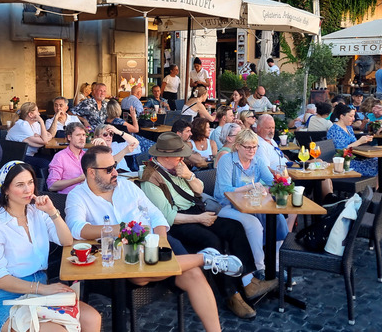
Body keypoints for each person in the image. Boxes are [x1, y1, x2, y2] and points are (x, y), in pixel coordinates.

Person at [65, 146, 244, 332]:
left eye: (115, 165)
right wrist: (120, 229)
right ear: (91, 172)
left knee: (194, 275)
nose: (115, 172)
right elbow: (77, 229)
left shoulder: (127, 186)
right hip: (120, 258)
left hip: (154, 243)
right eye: (108, 169)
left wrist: (160, 241)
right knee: (141, 276)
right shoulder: (77, 196)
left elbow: (156, 214)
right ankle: (204, 258)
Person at [140, 133, 266, 319]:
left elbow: (199, 189)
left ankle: (248, 281)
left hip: (196, 210)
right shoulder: (150, 178)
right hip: (178, 222)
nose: (182, 158)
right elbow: (167, 217)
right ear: (165, 156)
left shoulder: (177, 167)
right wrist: (199, 219)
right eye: (179, 155)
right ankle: (230, 295)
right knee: (211, 240)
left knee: (235, 228)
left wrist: (190, 175)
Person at [0, 162, 101, 332]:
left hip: (42, 292)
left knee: (92, 318)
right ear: (5, 189)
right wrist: (42, 289)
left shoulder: (37, 213)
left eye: (30, 182)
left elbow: (66, 240)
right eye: (20, 185)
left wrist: (52, 212)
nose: (28, 189)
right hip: (8, 299)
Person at [214, 129, 287, 294]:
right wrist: (249, 187)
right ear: (238, 146)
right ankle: (259, 268)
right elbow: (224, 190)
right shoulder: (227, 161)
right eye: (248, 147)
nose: (252, 150)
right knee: (253, 224)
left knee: (279, 219)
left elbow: (271, 182)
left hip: (252, 204)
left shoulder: (258, 161)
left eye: (254, 147)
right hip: (225, 206)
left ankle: (274, 265)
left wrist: (276, 185)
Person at [328, 104, 382, 181]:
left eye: (353, 116)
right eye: (351, 116)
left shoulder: (348, 128)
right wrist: (359, 141)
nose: (353, 119)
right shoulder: (335, 130)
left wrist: (364, 140)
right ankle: (377, 192)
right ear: (341, 116)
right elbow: (340, 150)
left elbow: (353, 145)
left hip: (356, 158)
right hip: (345, 162)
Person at [6, 102, 53, 173]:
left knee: (55, 159)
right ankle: (43, 183)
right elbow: (45, 141)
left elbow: (49, 135)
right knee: (47, 164)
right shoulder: (22, 125)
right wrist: (42, 121)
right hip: (18, 156)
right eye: (37, 111)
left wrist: (41, 138)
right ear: (30, 114)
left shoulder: (35, 124)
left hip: (31, 154)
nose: (39, 114)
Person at [47, 123, 88, 193]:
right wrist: (78, 179)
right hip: (67, 198)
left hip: (87, 196)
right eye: (78, 135)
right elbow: (52, 185)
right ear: (69, 137)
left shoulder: (87, 156)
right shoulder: (60, 157)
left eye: (83, 135)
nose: (82, 138)